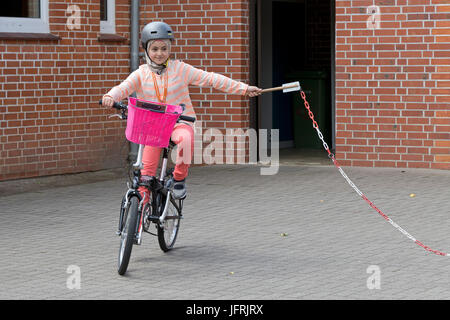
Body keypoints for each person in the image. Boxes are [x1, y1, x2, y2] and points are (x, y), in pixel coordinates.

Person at [102, 21, 262, 200]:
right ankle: (138, 221)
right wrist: (111, 96)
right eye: (155, 49)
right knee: (145, 178)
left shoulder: (181, 69)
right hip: (153, 128)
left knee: (186, 140)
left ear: (170, 49)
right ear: (146, 50)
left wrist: (243, 88)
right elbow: (123, 87)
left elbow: (210, 79)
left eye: (164, 48)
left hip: (179, 122)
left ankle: (179, 178)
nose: (160, 53)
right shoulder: (140, 73)